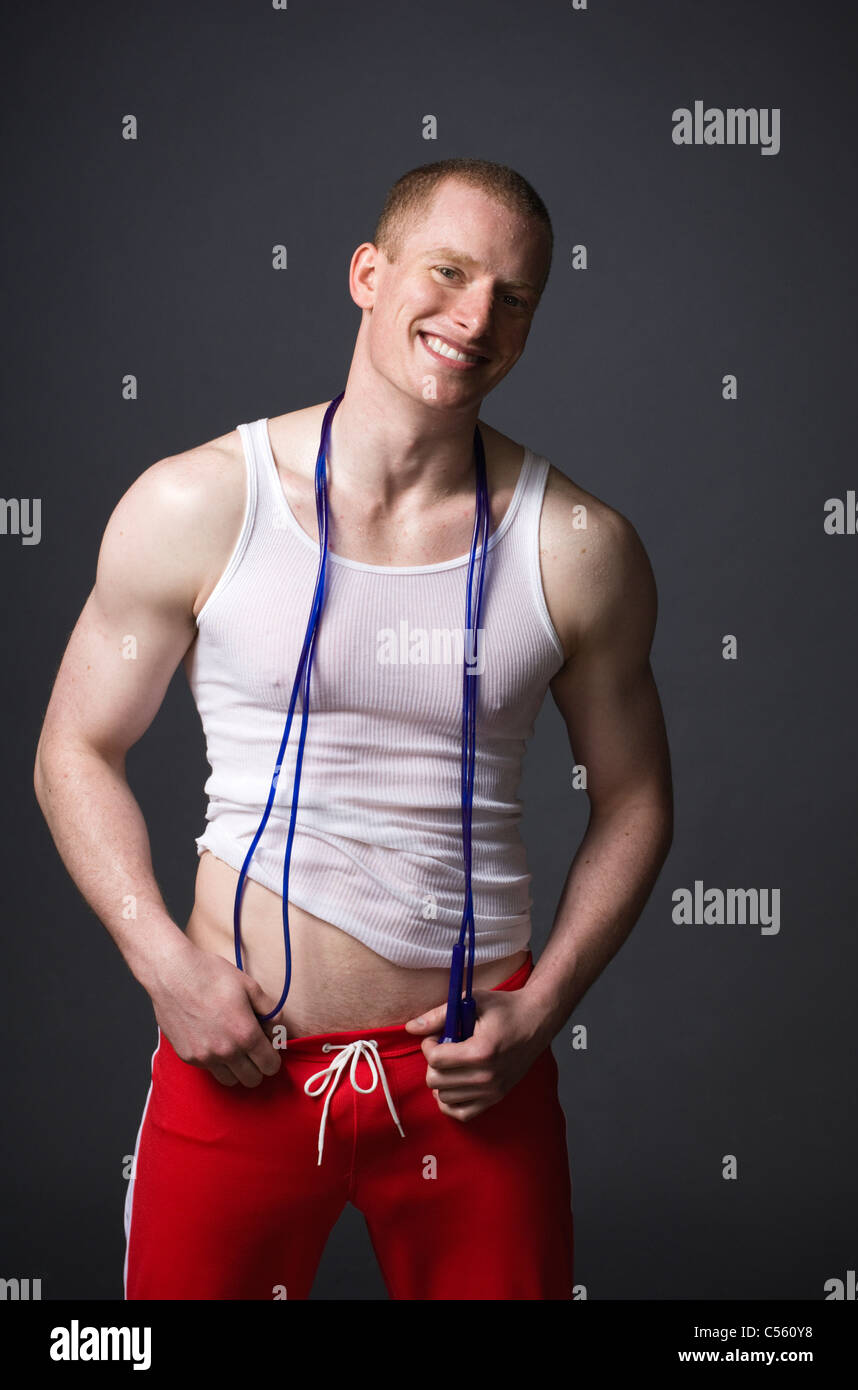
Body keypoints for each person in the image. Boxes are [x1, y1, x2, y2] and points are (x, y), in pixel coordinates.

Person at [33, 157, 673, 1301]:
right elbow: (74, 747)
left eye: (512, 297)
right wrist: (162, 962)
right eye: (448, 272)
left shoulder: (576, 545)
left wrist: (545, 1007)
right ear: (367, 275)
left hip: (474, 1078)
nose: (475, 317)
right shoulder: (197, 503)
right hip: (236, 1062)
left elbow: (633, 799)